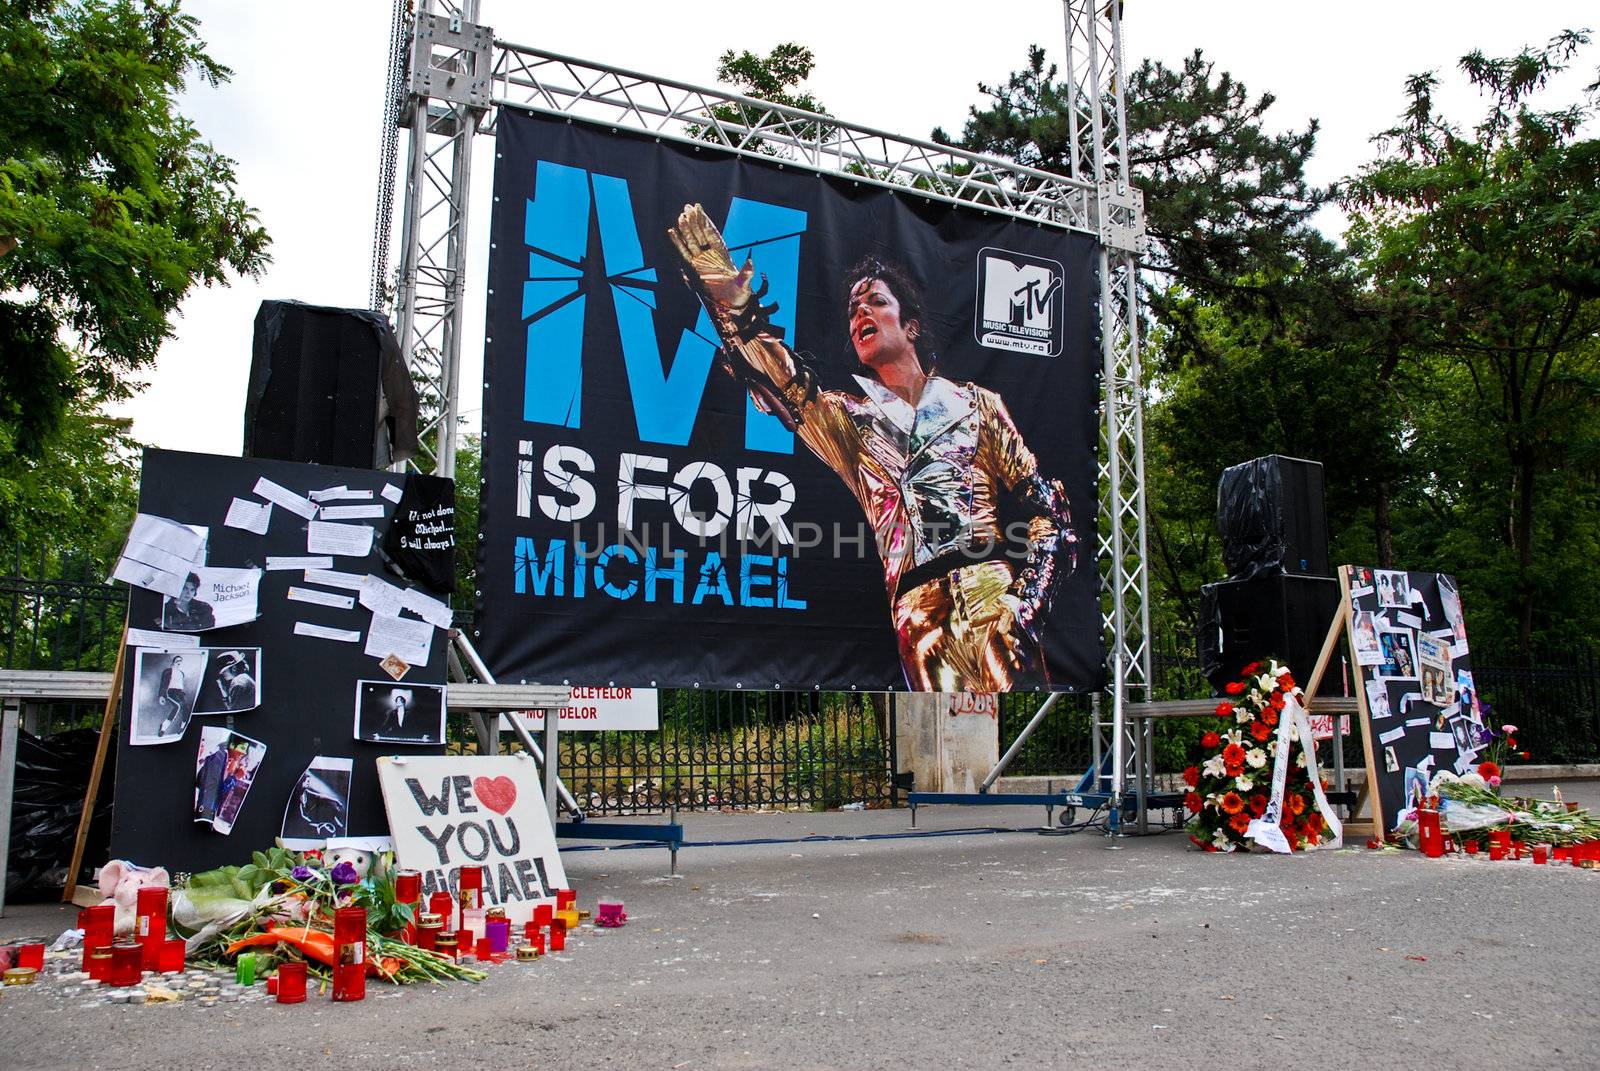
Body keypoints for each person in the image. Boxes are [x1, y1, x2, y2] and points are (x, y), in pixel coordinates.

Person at [670, 205, 1077, 691]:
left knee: (1017, 728)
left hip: (992, 594)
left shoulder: (977, 405)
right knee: (942, 745)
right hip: (918, 618)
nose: (861, 311)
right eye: (853, 310)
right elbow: (781, 383)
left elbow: (1048, 510)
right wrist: (729, 299)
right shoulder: (848, 422)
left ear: (912, 326)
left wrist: (1023, 605)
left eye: (877, 302)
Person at [156, 655, 190, 737]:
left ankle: (182, 728)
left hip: (180, 692)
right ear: (173, 662)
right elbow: (163, 684)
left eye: (180, 661)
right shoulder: (168, 671)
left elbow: (180, 684)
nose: (179, 662)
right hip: (170, 692)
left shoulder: (181, 673)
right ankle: (163, 728)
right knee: (177, 706)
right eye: (177, 661)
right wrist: (161, 695)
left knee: (186, 708)